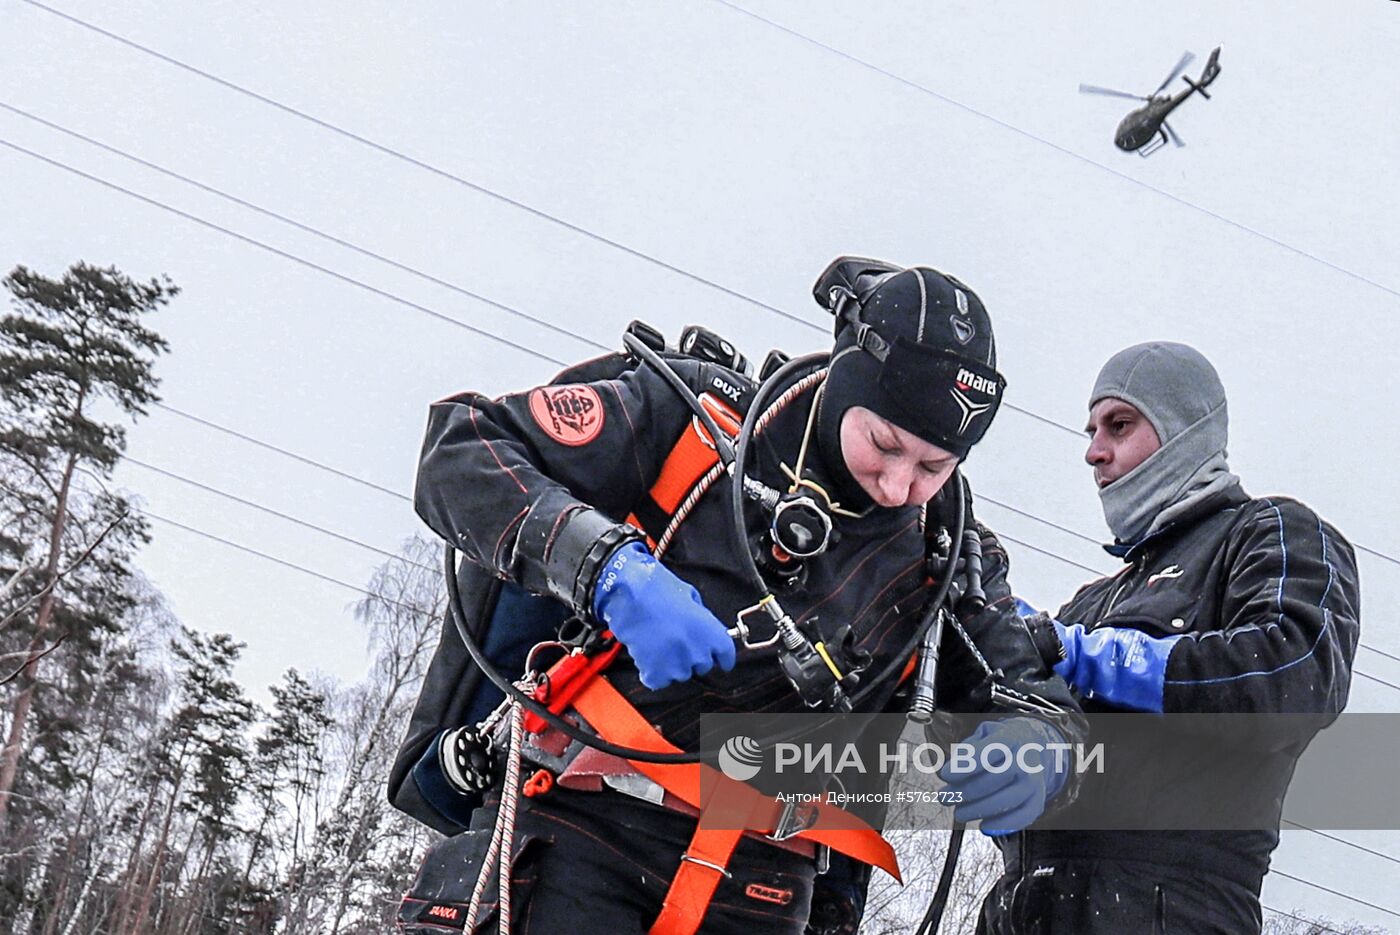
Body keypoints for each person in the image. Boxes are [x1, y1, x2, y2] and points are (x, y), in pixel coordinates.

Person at [395, 257, 1083, 935]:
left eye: (936, 466)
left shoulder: (948, 550)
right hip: (576, 831)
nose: (901, 485)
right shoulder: (701, 424)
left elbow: (1031, 692)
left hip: (767, 887)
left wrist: (1035, 748)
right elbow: (460, 449)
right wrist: (603, 565)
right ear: (847, 388)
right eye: (884, 444)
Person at [979, 341, 1361, 934]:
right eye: (1091, 430)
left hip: (1169, 907)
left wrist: (1089, 655)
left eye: (1120, 425)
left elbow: (1295, 676)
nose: (1093, 451)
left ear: (1185, 430)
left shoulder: (1270, 533)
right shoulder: (1090, 601)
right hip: (1027, 907)